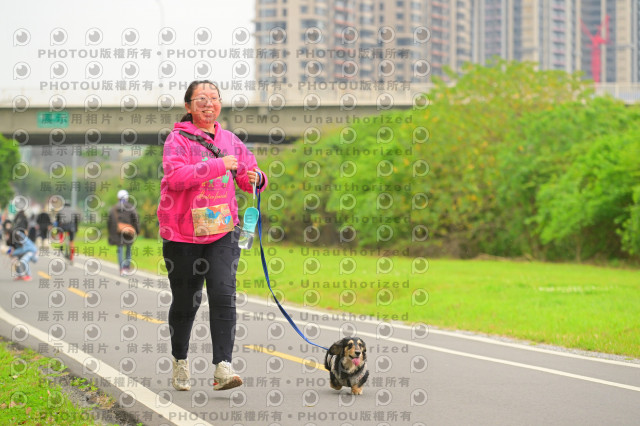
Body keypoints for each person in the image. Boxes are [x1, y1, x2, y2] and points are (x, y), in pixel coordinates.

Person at [157, 80, 267, 392]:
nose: (208, 104)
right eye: (201, 99)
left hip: (222, 231)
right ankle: (180, 359)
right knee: (186, 301)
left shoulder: (231, 140)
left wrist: (258, 178)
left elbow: (248, 176)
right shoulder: (177, 140)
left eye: (214, 98)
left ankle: (223, 368)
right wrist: (218, 165)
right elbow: (175, 178)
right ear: (188, 106)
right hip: (182, 235)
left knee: (223, 294)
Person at [107, 189, 140, 276]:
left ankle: (121, 269)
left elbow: (109, 222)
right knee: (128, 250)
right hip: (129, 232)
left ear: (118, 198)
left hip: (118, 233)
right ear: (127, 197)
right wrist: (137, 231)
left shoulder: (113, 208)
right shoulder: (131, 207)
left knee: (120, 250)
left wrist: (111, 234)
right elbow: (136, 219)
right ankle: (126, 268)